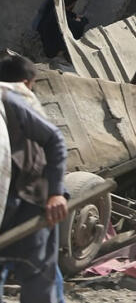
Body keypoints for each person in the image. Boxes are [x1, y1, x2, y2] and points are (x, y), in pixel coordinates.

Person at [0, 54, 67, 303]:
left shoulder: (11, 100)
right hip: (9, 202)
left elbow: (55, 139)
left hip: (32, 202)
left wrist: (56, 193)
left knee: (40, 281)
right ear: (28, 83)